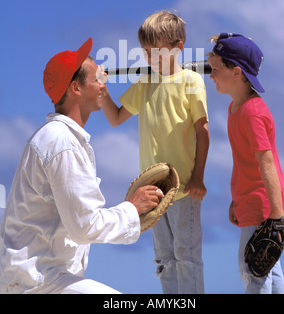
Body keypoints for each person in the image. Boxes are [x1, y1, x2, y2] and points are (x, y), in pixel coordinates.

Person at [0, 38, 162, 294]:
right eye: (97, 77)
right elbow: (85, 225)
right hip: (40, 284)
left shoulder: (57, 138)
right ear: (76, 88)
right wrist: (132, 208)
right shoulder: (62, 142)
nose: (104, 81)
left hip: (35, 281)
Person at [102, 11, 210, 294]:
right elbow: (115, 119)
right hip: (153, 190)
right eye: (145, 51)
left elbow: (203, 131)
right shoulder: (145, 83)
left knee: (186, 256)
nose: (149, 57)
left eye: (156, 50)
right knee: (165, 259)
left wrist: (198, 178)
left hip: (184, 187)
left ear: (178, 47)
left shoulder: (192, 81)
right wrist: (101, 91)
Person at [208, 33, 284, 294]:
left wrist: (276, 215)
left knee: (253, 271)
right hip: (251, 201)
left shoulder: (252, 112)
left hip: (263, 205)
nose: (210, 75)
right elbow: (245, 164)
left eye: (215, 68)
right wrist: (236, 200)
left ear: (237, 72)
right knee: (270, 272)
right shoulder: (236, 107)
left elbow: (266, 164)